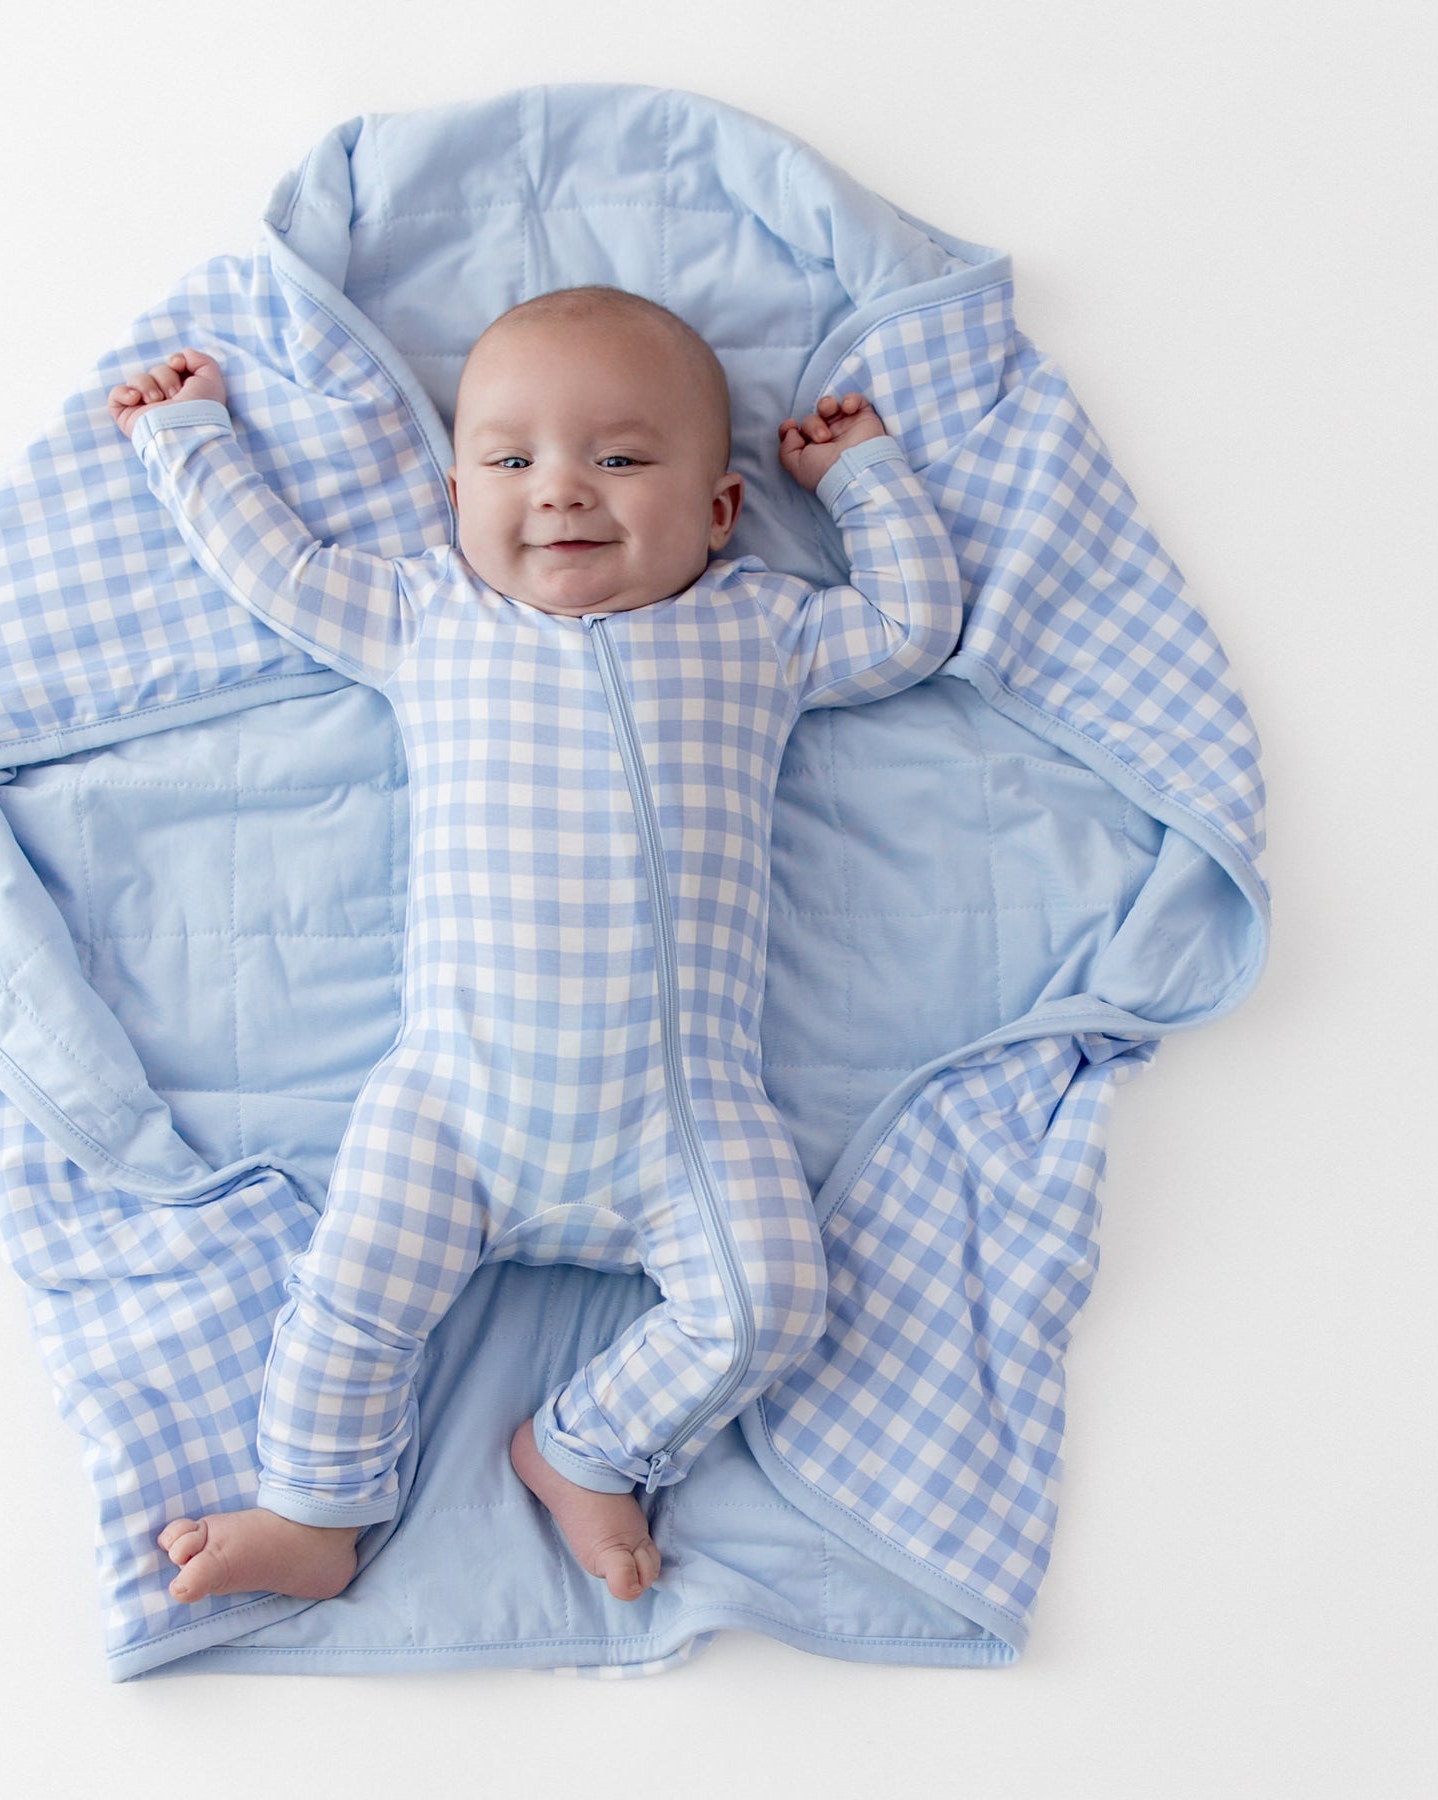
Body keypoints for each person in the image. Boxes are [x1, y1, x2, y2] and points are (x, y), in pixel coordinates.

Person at [107, 285, 964, 1607]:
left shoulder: (759, 629)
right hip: (456, 1102)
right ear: (454, 498)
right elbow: (280, 573)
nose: (561, 490)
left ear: (721, 510)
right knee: (349, 1299)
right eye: (511, 462)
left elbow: (911, 628)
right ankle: (313, 1513)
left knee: (773, 1304)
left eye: (619, 458)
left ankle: (585, 1446)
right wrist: (191, 444)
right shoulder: (430, 616)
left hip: (684, 1116)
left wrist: (862, 480)